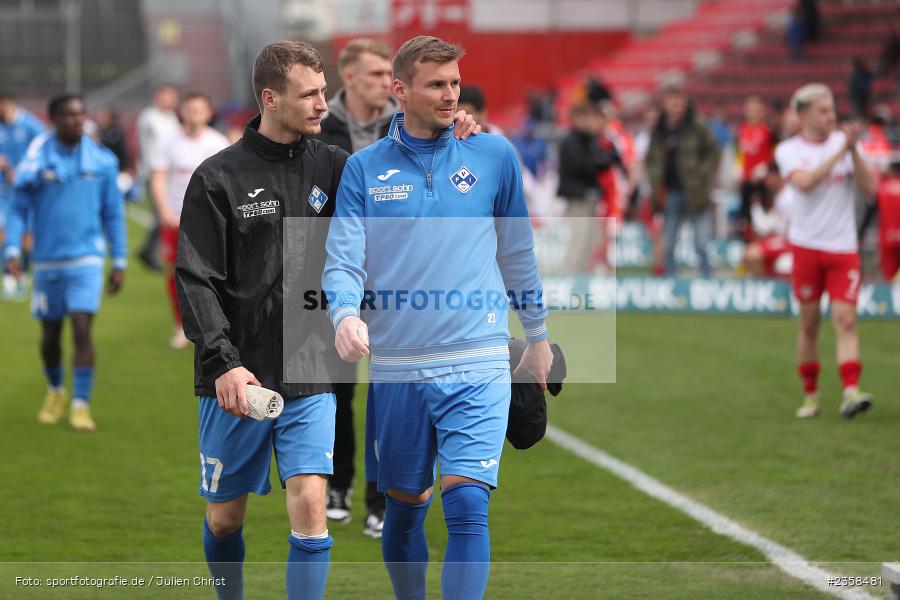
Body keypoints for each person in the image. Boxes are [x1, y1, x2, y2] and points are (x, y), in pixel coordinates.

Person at [174, 39, 481, 600]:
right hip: (237, 373)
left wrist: (450, 130)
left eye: (324, 92)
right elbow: (195, 278)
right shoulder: (217, 178)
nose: (323, 104)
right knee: (224, 521)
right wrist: (224, 363)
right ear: (270, 98)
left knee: (312, 504)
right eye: (310, 94)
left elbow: (404, 162)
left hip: (312, 363)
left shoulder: (337, 166)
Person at [323, 35, 553, 600]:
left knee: (469, 504)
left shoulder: (494, 155)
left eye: (454, 83)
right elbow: (344, 257)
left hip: (478, 360)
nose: (450, 94)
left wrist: (538, 335)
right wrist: (344, 315)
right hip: (398, 367)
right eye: (436, 84)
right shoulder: (364, 169)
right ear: (399, 91)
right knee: (404, 512)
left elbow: (517, 251)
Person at [312, 37, 395, 537]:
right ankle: (338, 483)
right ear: (349, 78)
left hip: (394, 276)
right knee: (336, 390)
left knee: (390, 392)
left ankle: (381, 497)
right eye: (375, 74)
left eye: (389, 74)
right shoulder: (320, 125)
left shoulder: (405, 125)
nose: (386, 82)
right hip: (334, 272)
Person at [3, 94, 126, 432]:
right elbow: (17, 209)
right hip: (45, 263)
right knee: (50, 335)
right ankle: (56, 390)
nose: (78, 121)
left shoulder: (101, 162)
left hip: (87, 259)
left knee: (83, 327)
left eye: (81, 114)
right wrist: (12, 249)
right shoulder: (36, 162)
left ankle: (80, 403)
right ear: (54, 119)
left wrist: (119, 259)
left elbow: (113, 213)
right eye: (69, 116)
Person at [774, 83, 876, 419]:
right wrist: (839, 153)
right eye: (823, 110)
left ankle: (850, 389)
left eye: (832, 109)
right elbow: (804, 183)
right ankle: (811, 394)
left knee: (845, 319)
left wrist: (854, 152)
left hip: (843, 246)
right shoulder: (789, 150)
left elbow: (869, 188)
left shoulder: (844, 146)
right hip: (806, 246)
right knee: (810, 323)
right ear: (803, 115)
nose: (831, 116)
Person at [150, 92, 228, 349]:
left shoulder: (217, 142)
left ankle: (213, 323)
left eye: (199, 110)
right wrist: (163, 210)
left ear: (208, 114)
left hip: (207, 219)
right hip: (175, 218)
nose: (194, 115)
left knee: (212, 273)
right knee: (175, 273)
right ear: (181, 112)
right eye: (190, 109)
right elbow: (159, 177)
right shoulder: (167, 142)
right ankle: (179, 325)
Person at [645, 85, 720, 278]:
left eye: (679, 102)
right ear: (664, 104)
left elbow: (712, 153)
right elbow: (652, 158)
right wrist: (655, 183)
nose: (676, 106)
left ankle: (707, 279)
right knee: (668, 242)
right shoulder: (659, 128)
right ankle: (672, 281)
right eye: (671, 102)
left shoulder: (697, 125)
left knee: (701, 242)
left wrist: (702, 176)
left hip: (696, 192)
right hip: (670, 192)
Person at [557, 103, 622, 274]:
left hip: (590, 197)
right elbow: (584, 166)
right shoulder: (571, 141)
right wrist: (602, 162)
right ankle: (571, 279)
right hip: (578, 197)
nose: (586, 122)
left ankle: (584, 281)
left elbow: (608, 158)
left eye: (588, 117)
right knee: (579, 242)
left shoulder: (589, 140)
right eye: (582, 117)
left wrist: (601, 160)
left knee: (591, 243)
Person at [0, 91, 45, 298]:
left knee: (27, 237)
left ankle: (23, 276)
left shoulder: (31, 125)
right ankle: (9, 277)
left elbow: (45, 151)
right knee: (3, 233)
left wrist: (23, 170)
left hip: (27, 191)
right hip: (3, 192)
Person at [136, 83, 179, 271]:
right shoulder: (150, 117)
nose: (170, 100)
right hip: (154, 173)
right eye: (166, 96)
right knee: (162, 214)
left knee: (165, 214)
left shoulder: (172, 118)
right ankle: (150, 252)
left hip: (170, 174)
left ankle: (149, 250)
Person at [737, 95, 779, 237]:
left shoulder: (769, 131)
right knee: (745, 218)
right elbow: (740, 154)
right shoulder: (741, 130)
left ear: (762, 112)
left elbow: (777, 154)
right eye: (751, 110)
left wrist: (764, 169)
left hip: (763, 183)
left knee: (763, 217)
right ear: (745, 111)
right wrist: (738, 170)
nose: (753, 113)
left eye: (757, 110)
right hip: (746, 182)